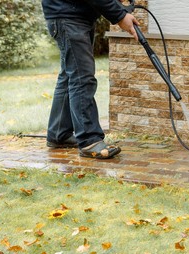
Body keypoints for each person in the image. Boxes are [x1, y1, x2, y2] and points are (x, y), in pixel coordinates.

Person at [41, 0, 139, 159]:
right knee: (82, 78)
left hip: (73, 15)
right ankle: (89, 141)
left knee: (69, 75)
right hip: (69, 17)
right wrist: (120, 15)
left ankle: (59, 133)